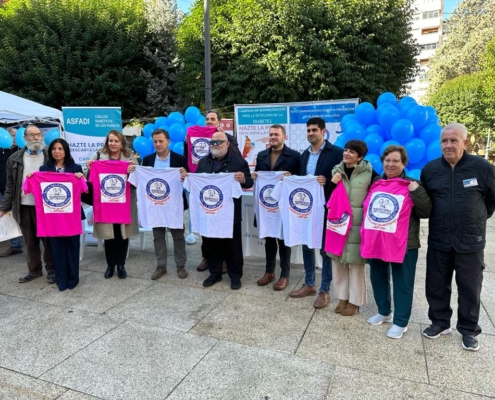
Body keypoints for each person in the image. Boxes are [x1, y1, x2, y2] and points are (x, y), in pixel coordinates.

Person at [421, 123, 495, 351]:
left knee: (470, 289)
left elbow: (492, 200)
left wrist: (476, 218)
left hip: (470, 242)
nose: (448, 145)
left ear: (465, 142)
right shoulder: (431, 169)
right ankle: (440, 322)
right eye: (444, 141)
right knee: (435, 285)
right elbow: (426, 203)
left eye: (454, 140)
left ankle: (469, 330)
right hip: (439, 240)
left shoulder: (482, 167)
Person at [367, 145, 431, 338]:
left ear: (404, 163)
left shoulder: (412, 184)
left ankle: (401, 322)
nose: (390, 164)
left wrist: (415, 192)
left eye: (395, 161)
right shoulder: (377, 182)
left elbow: (426, 211)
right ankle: (384, 312)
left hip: (404, 243)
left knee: (403, 282)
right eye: (387, 160)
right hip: (378, 239)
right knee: (377, 277)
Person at [290, 117, 343, 310]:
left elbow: (343, 179)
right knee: (306, 246)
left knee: (325, 250)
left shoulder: (336, 153)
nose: (311, 133)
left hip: (327, 209)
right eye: (308, 130)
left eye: (314, 130)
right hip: (306, 210)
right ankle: (310, 284)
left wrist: (328, 181)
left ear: (323, 131)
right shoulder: (303, 155)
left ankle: (324, 290)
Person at [195, 130, 253, 289]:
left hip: (230, 213)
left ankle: (235, 276)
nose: (214, 145)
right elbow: (197, 183)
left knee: (233, 247)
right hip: (210, 212)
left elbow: (249, 183)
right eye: (212, 142)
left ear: (227, 144)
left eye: (218, 142)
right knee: (212, 245)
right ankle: (215, 273)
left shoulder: (239, 162)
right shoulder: (203, 162)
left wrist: (243, 179)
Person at [0, 124, 54, 283]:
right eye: (32, 135)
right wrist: (4, 207)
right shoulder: (14, 158)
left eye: (38, 134)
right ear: (25, 138)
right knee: (29, 242)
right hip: (24, 206)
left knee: (49, 240)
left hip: (46, 207)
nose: (36, 137)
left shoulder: (49, 156)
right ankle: (34, 270)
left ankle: (51, 270)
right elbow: (10, 184)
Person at [327, 140, 376, 315]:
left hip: (357, 225)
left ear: (360, 156)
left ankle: (355, 302)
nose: (346, 153)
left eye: (352, 152)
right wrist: (332, 183)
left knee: (356, 265)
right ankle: (342, 298)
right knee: (338, 263)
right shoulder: (336, 171)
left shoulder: (369, 173)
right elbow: (326, 198)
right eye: (346, 150)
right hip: (337, 224)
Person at [252, 124, 300, 290]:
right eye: (271, 134)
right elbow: (258, 176)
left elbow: (300, 181)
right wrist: (255, 176)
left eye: (276, 134)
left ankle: (284, 275)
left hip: (284, 206)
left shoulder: (294, 156)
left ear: (284, 137)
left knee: (284, 241)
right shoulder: (261, 155)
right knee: (269, 239)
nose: (273, 137)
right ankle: (269, 271)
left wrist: (291, 177)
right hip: (267, 207)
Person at [85, 130, 138, 280]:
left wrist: (132, 172)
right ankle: (110, 265)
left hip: (124, 203)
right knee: (109, 235)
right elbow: (88, 179)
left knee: (122, 235)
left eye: (116, 141)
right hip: (105, 203)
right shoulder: (98, 156)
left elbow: (138, 179)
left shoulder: (129, 157)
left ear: (122, 143)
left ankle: (121, 265)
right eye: (110, 141)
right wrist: (88, 168)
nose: (113, 143)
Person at [141, 128, 189, 280]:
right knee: (158, 235)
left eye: (161, 141)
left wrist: (184, 175)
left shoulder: (179, 159)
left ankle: (180, 265)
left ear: (168, 141)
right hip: (155, 203)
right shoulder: (148, 160)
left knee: (178, 235)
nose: (158, 144)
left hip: (174, 204)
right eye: (155, 141)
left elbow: (187, 180)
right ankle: (161, 266)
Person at [196, 110, 240, 273]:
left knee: (222, 227)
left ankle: (224, 260)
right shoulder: (197, 136)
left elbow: (237, 157)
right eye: (207, 119)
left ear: (219, 123)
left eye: (212, 119)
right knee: (206, 224)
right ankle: (207, 257)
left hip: (223, 189)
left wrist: (226, 139)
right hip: (202, 183)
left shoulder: (229, 138)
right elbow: (190, 157)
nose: (209, 121)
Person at [39, 139, 86, 291]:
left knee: (72, 248)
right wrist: (33, 176)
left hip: (72, 217)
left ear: (66, 151)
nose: (57, 151)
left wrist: (81, 179)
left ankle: (73, 278)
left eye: (60, 148)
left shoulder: (75, 168)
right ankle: (61, 280)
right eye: (54, 148)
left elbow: (85, 191)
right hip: (53, 218)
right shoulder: (44, 169)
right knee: (57, 250)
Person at [0, 127, 23, 257]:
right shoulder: (0, 151)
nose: (12, 139)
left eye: (15, 136)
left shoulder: (20, 152)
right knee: (8, 217)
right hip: (4, 191)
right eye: (10, 136)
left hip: (20, 191)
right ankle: (15, 245)